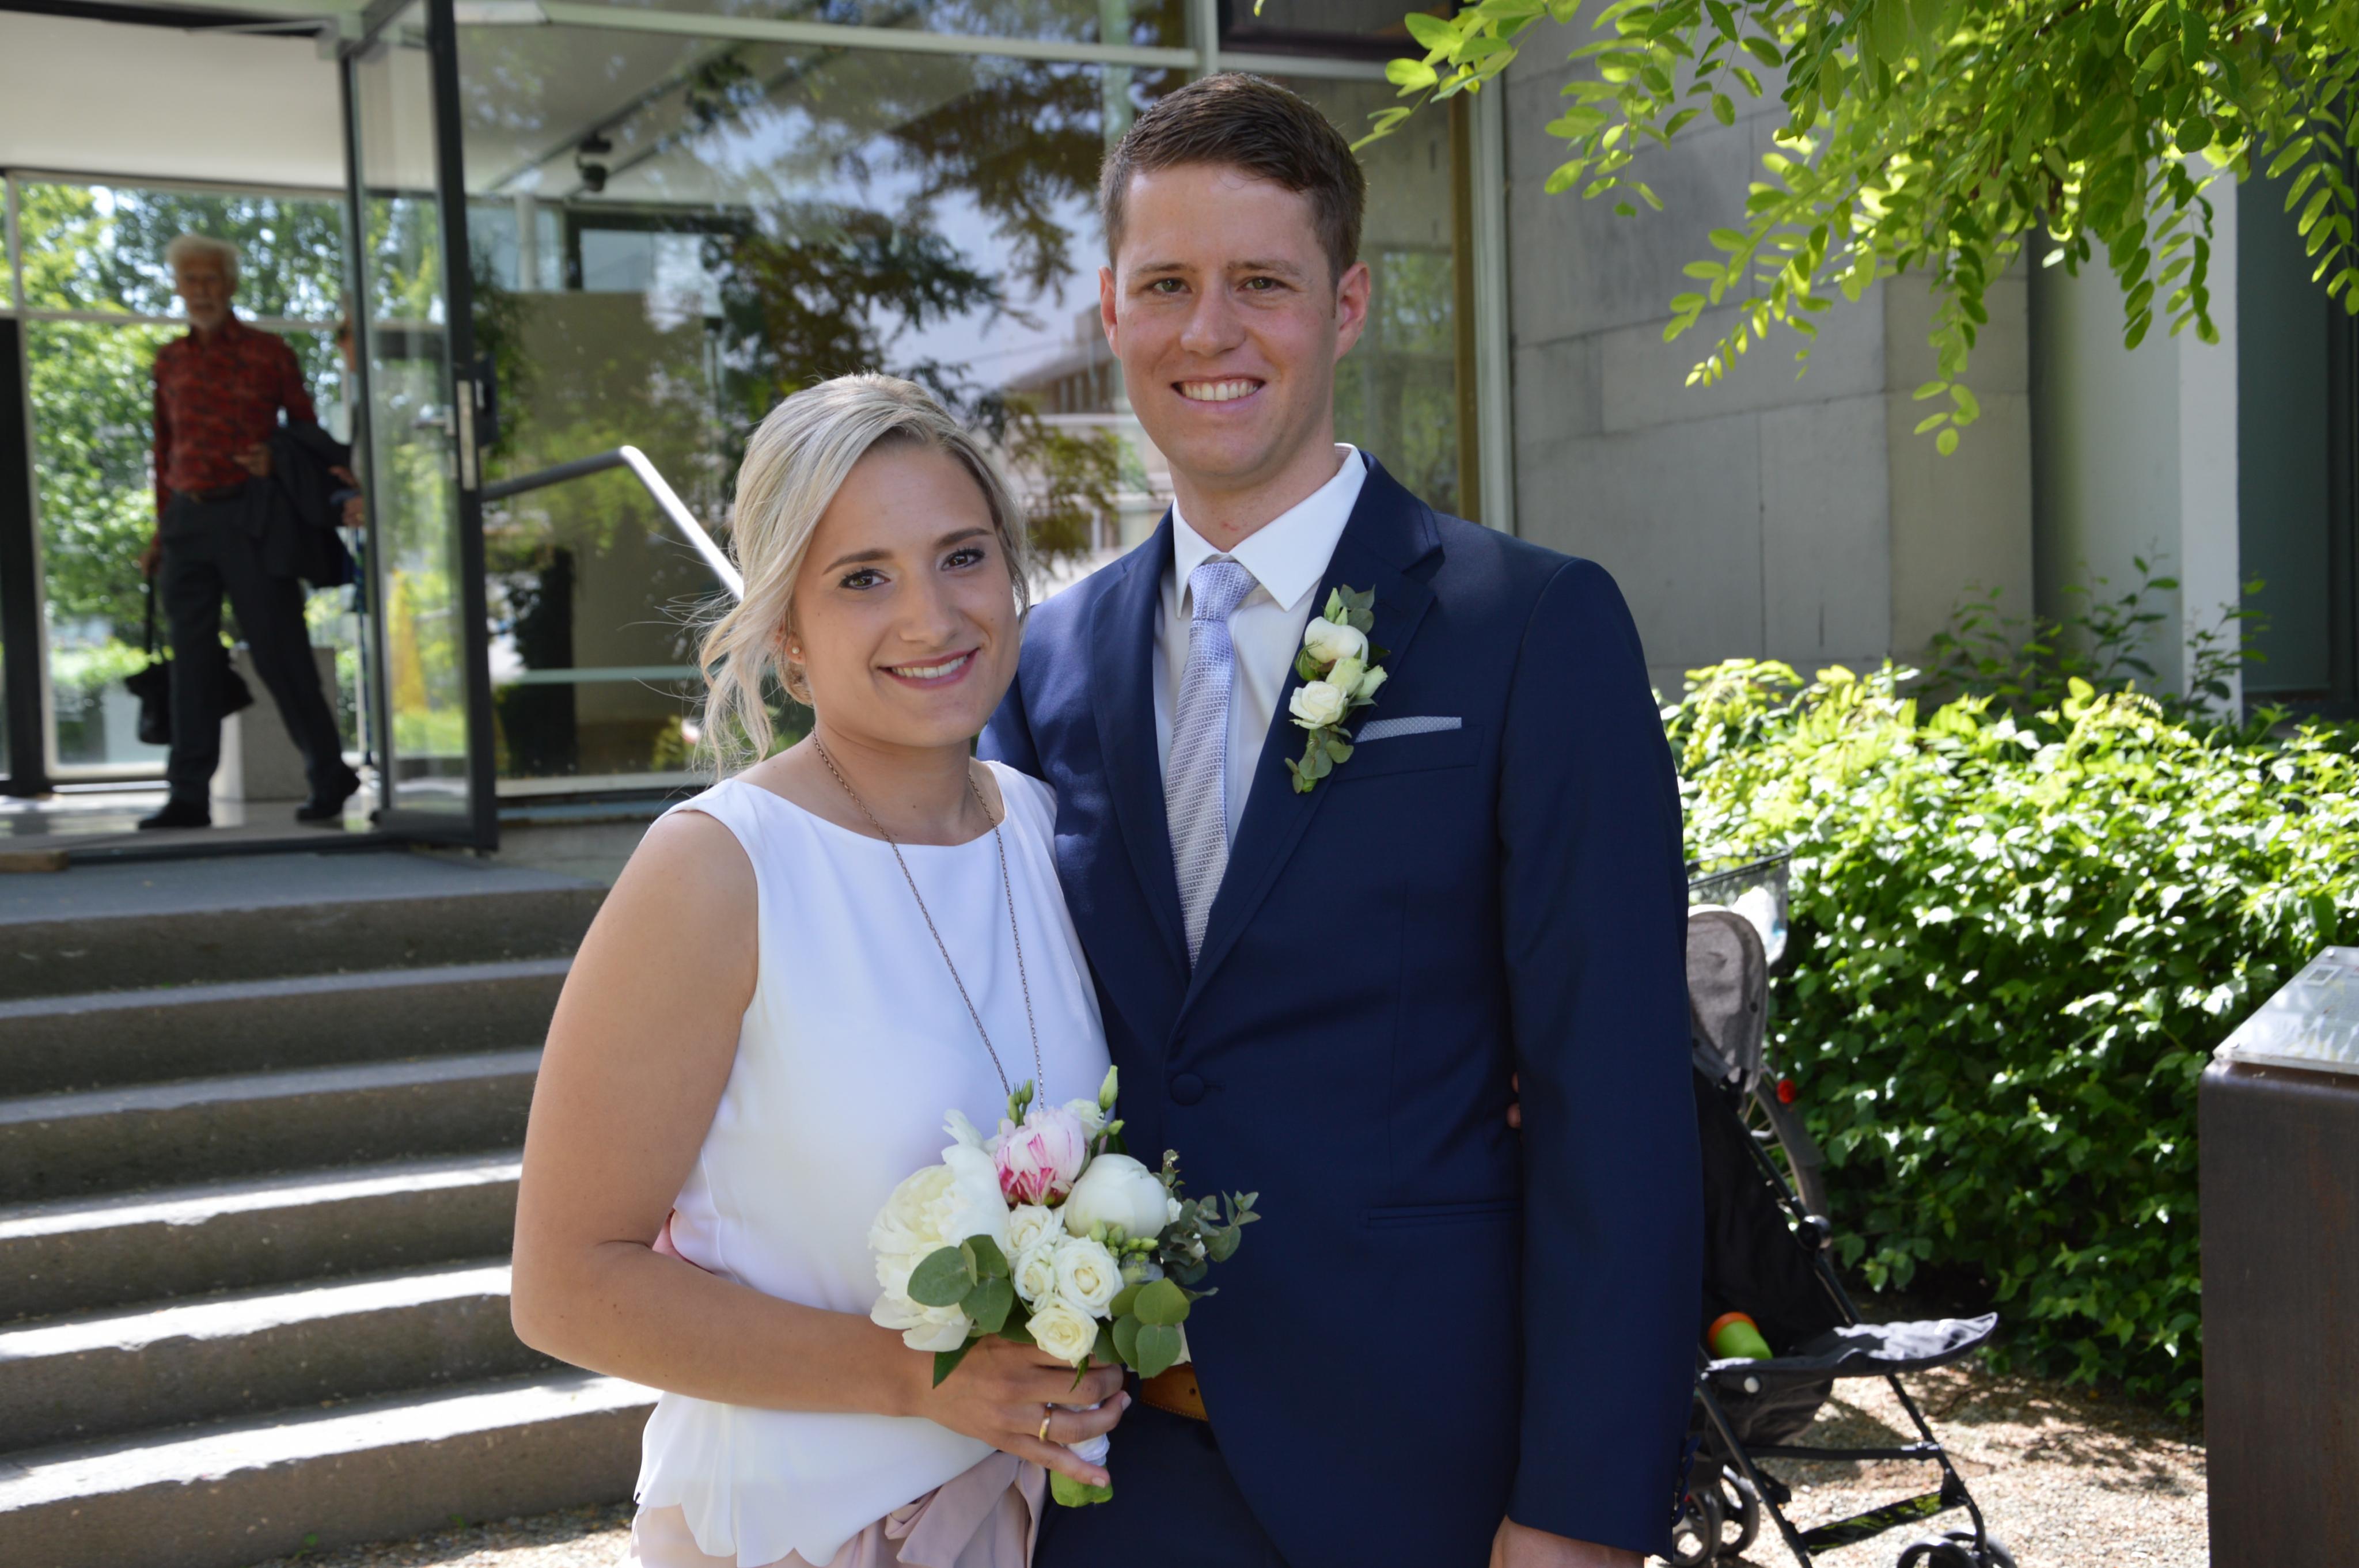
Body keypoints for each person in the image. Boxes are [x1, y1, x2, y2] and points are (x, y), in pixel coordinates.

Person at [980, 74, 1704, 1567]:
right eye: (1167, 285)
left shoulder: (1527, 626)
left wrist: (1580, 1513)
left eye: (1262, 282)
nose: (1210, 330)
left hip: (1429, 1479)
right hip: (1113, 1481)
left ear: (1348, 304)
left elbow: (1616, 1106)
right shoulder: (1041, 665)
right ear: (1111, 308)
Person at [510, 375, 1128, 1568]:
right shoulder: (717, 866)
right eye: (862, 578)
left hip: (1046, 1521)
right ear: (785, 633)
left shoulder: (1047, 828)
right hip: (803, 1533)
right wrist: (918, 1376)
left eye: (962, 557)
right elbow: (564, 1286)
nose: (930, 616)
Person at [136, 233, 361, 830]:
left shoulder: (269, 352)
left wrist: (283, 460)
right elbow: (163, 450)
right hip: (186, 522)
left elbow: (307, 430)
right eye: (190, 279)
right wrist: (159, 535)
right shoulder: (169, 360)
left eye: (211, 278)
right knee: (191, 664)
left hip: (253, 519)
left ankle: (329, 773)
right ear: (178, 287)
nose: (201, 289)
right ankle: (188, 794)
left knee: (279, 652)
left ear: (231, 284)